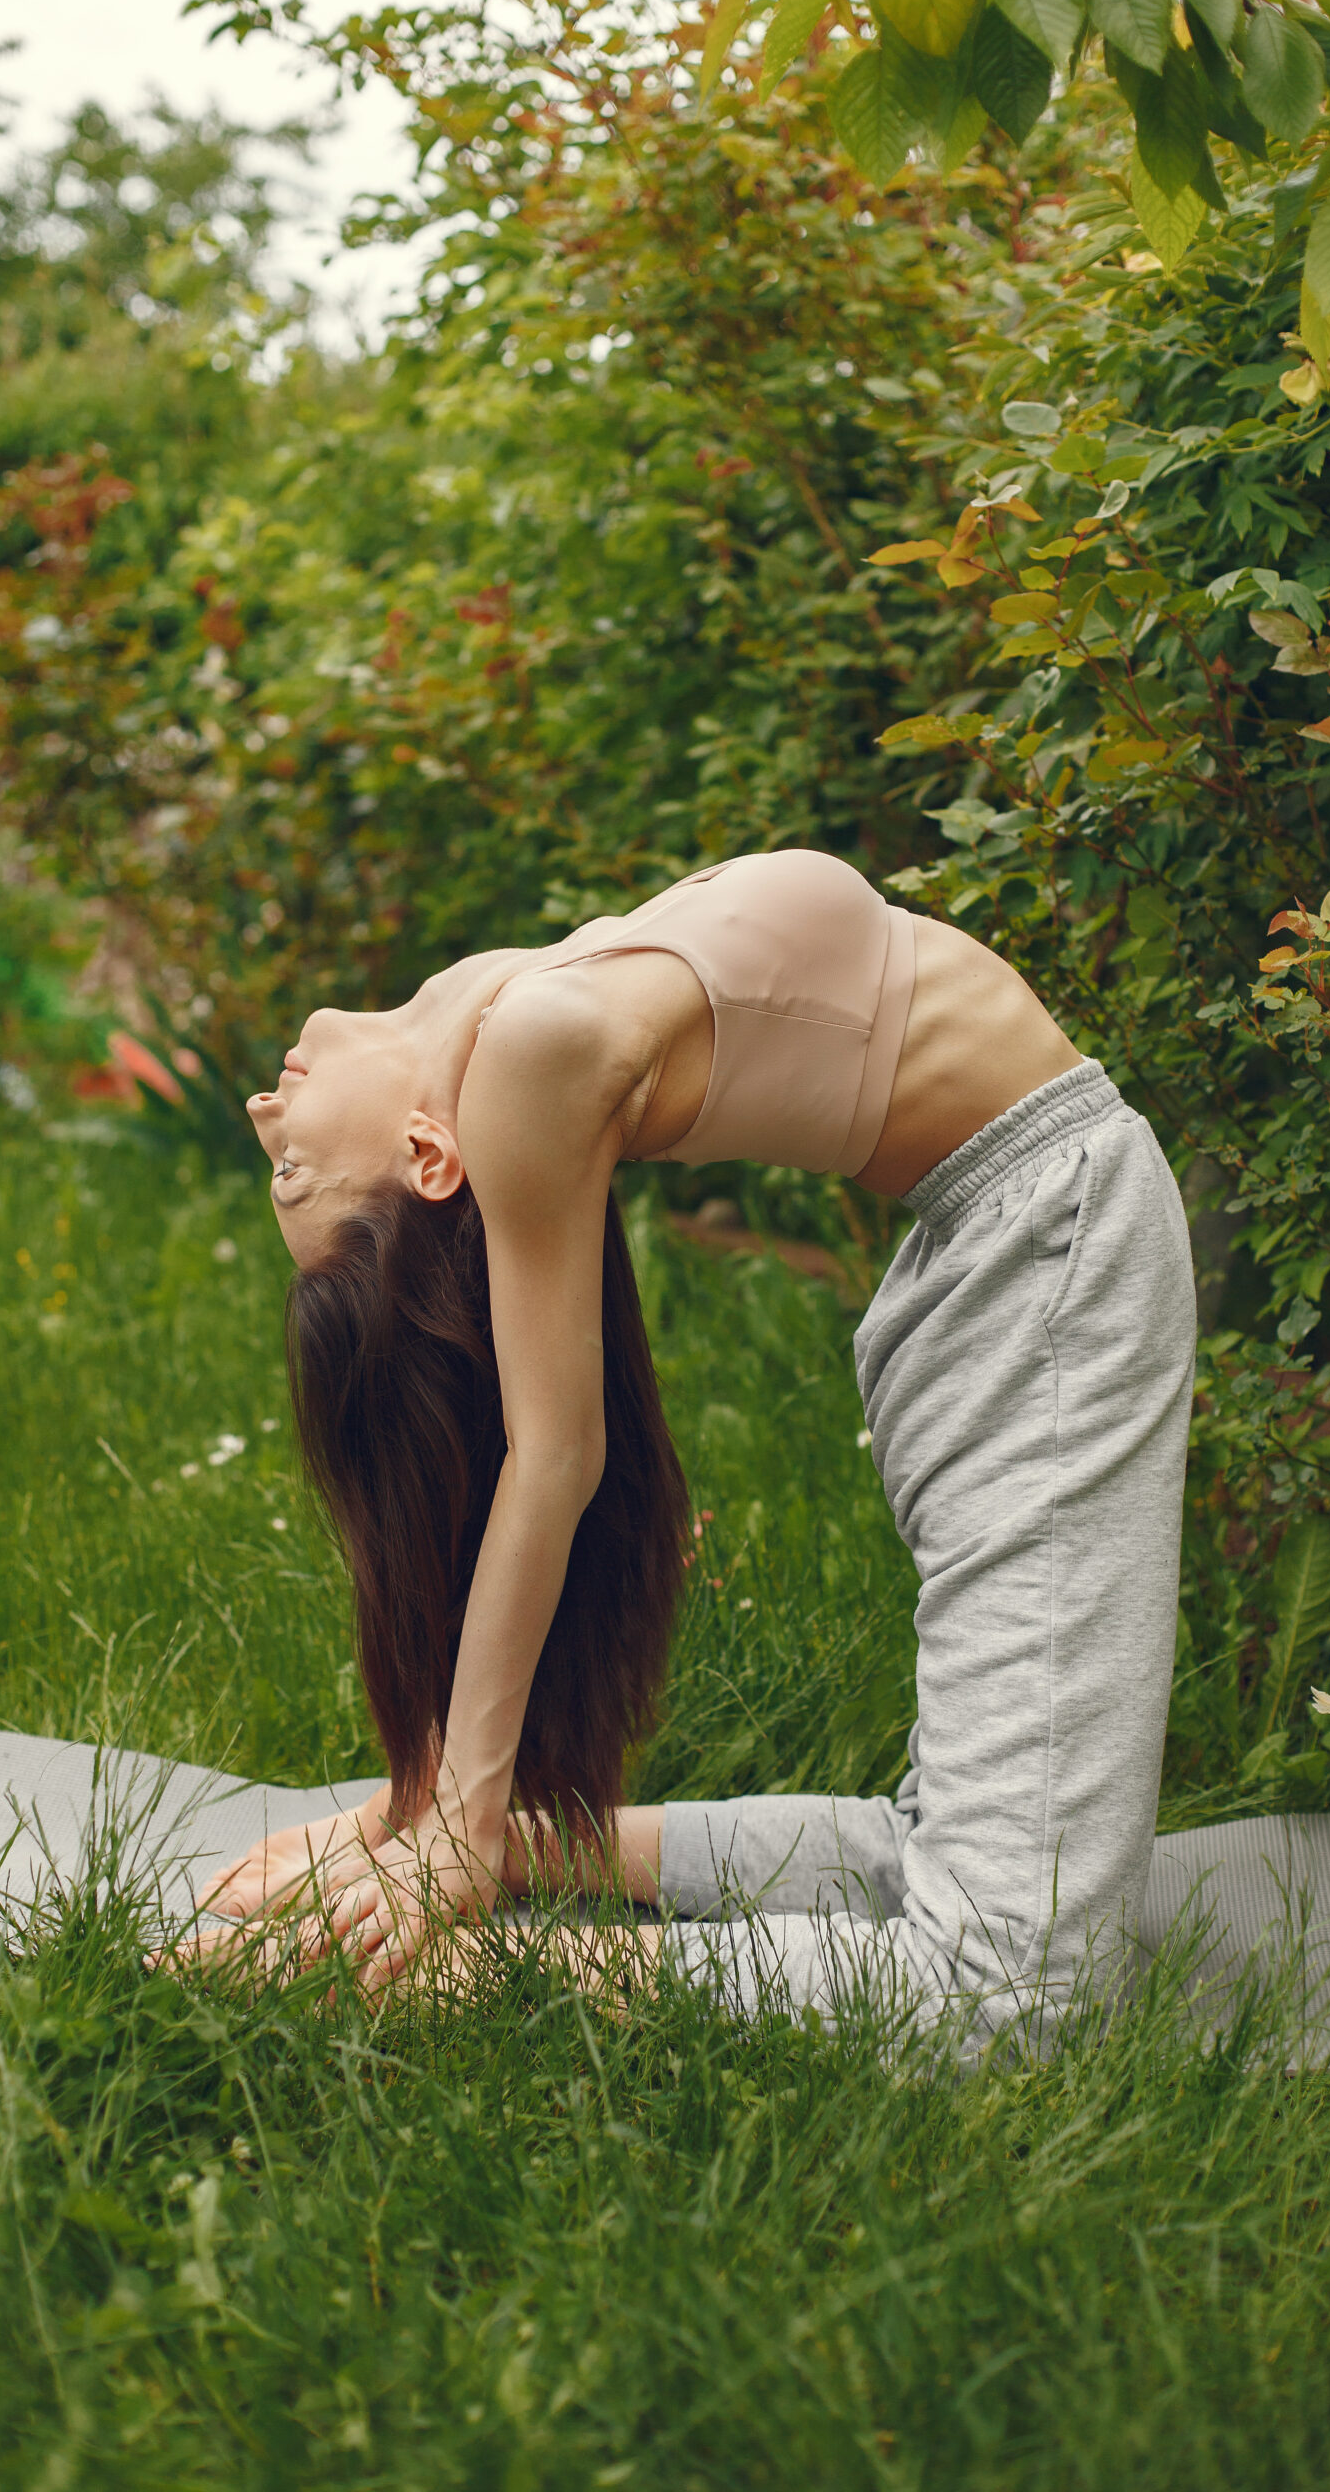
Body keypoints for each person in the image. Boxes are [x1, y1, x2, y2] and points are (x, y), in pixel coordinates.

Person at [199, 848, 1197, 2056]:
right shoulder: (523, 1048)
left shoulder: (487, 1008)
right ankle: (484, 1966)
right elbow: (550, 1454)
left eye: (280, 1163)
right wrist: (439, 1812)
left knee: (956, 1875)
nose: (263, 1112)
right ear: (428, 1158)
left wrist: (450, 1813)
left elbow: (534, 1441)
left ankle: (521, 1854)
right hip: (1036, 1252)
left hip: (1013, 1251)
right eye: (290, 1169)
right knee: (1022, 1998)